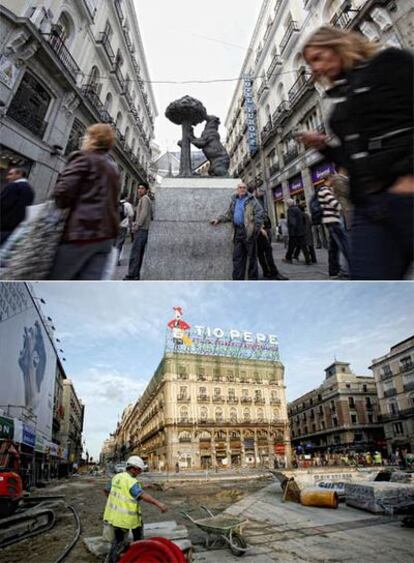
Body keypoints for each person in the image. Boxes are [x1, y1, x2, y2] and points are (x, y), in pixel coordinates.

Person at [299, 26, 413, 280]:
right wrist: (324, 147)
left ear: (338, 45)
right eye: (310, 63)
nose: (315, 69)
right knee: (368, 290)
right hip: (369, 209)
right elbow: (351, 162)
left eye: (318, 57)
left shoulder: (389, 64)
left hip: (407, 198)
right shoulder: (342, 101)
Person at [49, 124, 119, 280]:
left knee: (58, 282)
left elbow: (63, 193)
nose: (84, 139)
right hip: (105, 238)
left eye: (87, 136)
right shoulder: (113, 167)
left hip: (81, 233)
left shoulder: (84, 157)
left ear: (93, 139)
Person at [103, 456, 167, 563]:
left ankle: (127, 557)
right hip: (126, 519)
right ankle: (133, 558)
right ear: (134, 468)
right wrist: (159, 504)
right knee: (124, 543)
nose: (139, 473)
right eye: (139, 471)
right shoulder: (131, 482)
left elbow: (106, 490)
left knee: (118, 542)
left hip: (114, 516)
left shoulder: (117, 477)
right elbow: (141, 495)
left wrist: (115, 501)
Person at [211, 182, 263, 280]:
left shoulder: (252, 200)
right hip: (237, 232)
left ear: (246, 189)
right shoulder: (234, 200)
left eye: (244, 187)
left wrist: (255, 229)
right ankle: (238, 281)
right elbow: (229, 214)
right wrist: (218, 219)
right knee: (237, 258)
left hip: (248, 232)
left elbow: (259, 213)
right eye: (240, 187)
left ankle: (253, 281)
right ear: (237, 189)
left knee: (252, 258)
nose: (242, 189)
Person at [317, 181, 351, 278]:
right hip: (332, 221)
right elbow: (334, 203)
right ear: (329, 180)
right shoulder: (325, 190)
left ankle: (333, 271)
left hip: (331, 221)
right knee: (344, 244)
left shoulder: (324, 190)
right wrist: (344, 208)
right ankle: (351, 268)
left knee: (333, 248)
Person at [253, 187, 288, 280]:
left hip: (258, 231)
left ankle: (266, 271)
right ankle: (273, 272)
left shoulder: (254, 201)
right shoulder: (251, 202)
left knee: (261, 253)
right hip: (258, 231)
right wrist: (261, 228)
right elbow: (251, 217)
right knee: (267, 250)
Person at [124, 183, 152, 280]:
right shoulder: (144, 199)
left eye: (142, 188)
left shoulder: (145, 199)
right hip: (142, 230)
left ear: (147, 190)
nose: (139, 190)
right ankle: (135, 274)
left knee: (135, 253)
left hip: (141, 230)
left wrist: (137, 226)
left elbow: (143, 214)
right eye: (138, 188)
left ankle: (132, 274)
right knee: (138, 253)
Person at [0, 167, 34, 244]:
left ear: (19, 174)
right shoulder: (30, 190)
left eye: (10, 174)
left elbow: (2, 205)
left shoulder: (13, 186)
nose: (7, 177)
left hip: (3, 226)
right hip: (14, 231)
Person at [283, 199, 311, 265]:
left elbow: (292, 221)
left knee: (291, 246)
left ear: (289, 204)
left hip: (294, 232)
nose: (287, 205)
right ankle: (308, 260)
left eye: (287, 204)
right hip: (301, 231)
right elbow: (303, 220)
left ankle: (288, 258)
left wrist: (292, 230)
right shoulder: (298, 209)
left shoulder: (290, 210)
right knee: (304, 246)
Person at [116, 196, 134, 266]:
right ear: (126, 197)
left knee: (113, 243)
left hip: (114, 226)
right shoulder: (128, 205)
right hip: (123, 226)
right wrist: (130, 226)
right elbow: (131, 215)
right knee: (119, 243)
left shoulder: (116, 203)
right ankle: (116, 260)